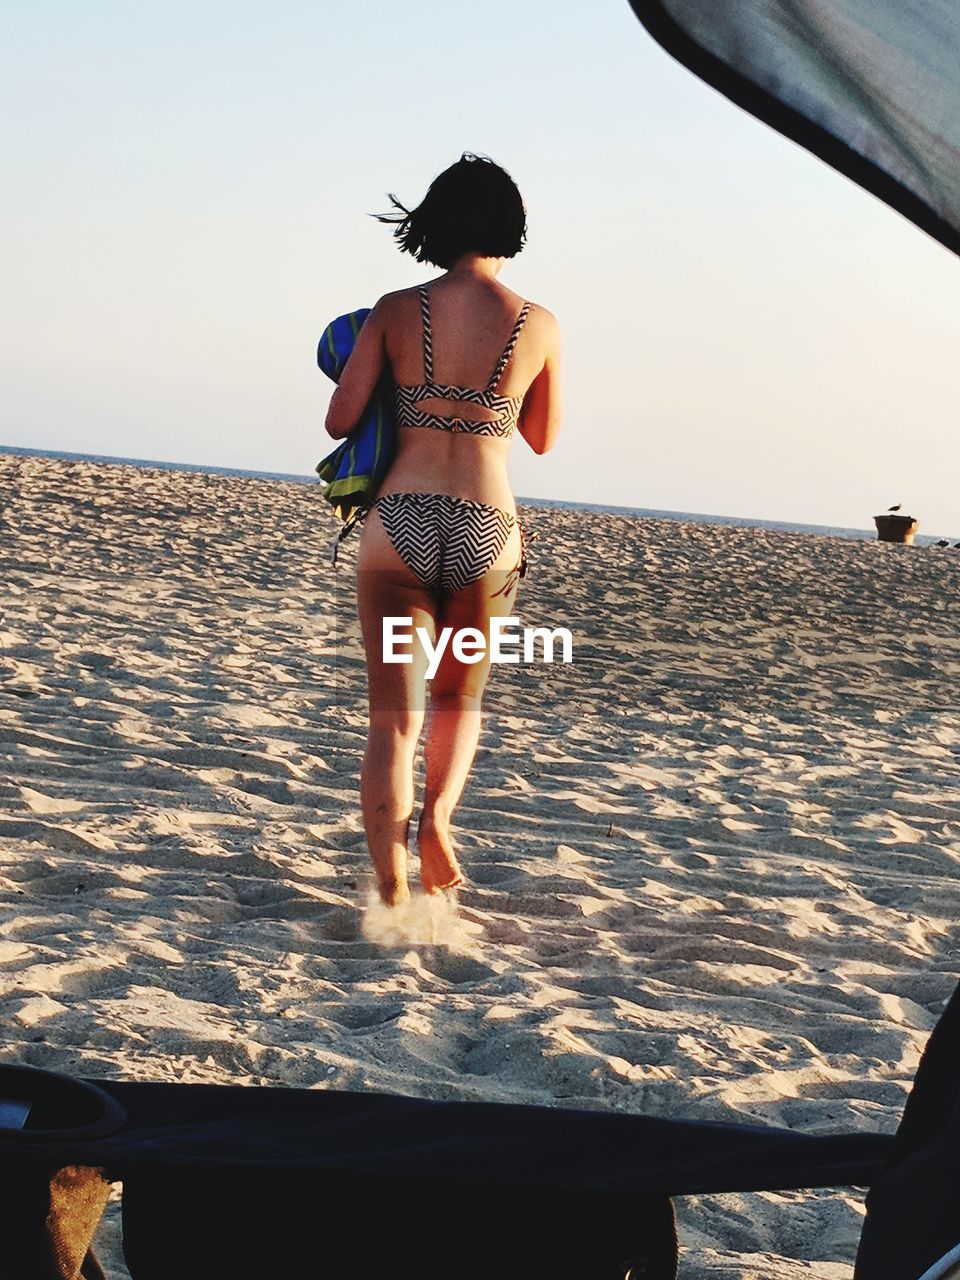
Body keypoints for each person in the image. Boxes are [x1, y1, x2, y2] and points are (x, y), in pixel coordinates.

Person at [324, 152, 562, 906]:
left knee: (393, 719)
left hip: (402, 520)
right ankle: (439, 825)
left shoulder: (397, 308)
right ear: (511, 225)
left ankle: (391, 895)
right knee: (460, 700)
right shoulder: (540, 323)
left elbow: (341, 418)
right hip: (489, 530)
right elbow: (542, 436)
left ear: (435, 221)